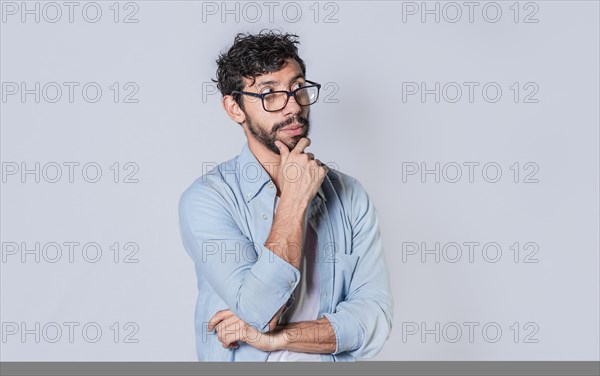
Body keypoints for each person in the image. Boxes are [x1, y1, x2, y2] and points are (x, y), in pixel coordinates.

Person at [178, 30, 393, 362]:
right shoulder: (207, 200)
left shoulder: (350, 196)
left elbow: (374, 320)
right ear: (235, 108)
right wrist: (293, 202)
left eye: (297, 88)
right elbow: (261, 311)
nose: (292, 106)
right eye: (269, 94)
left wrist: (278, 339)